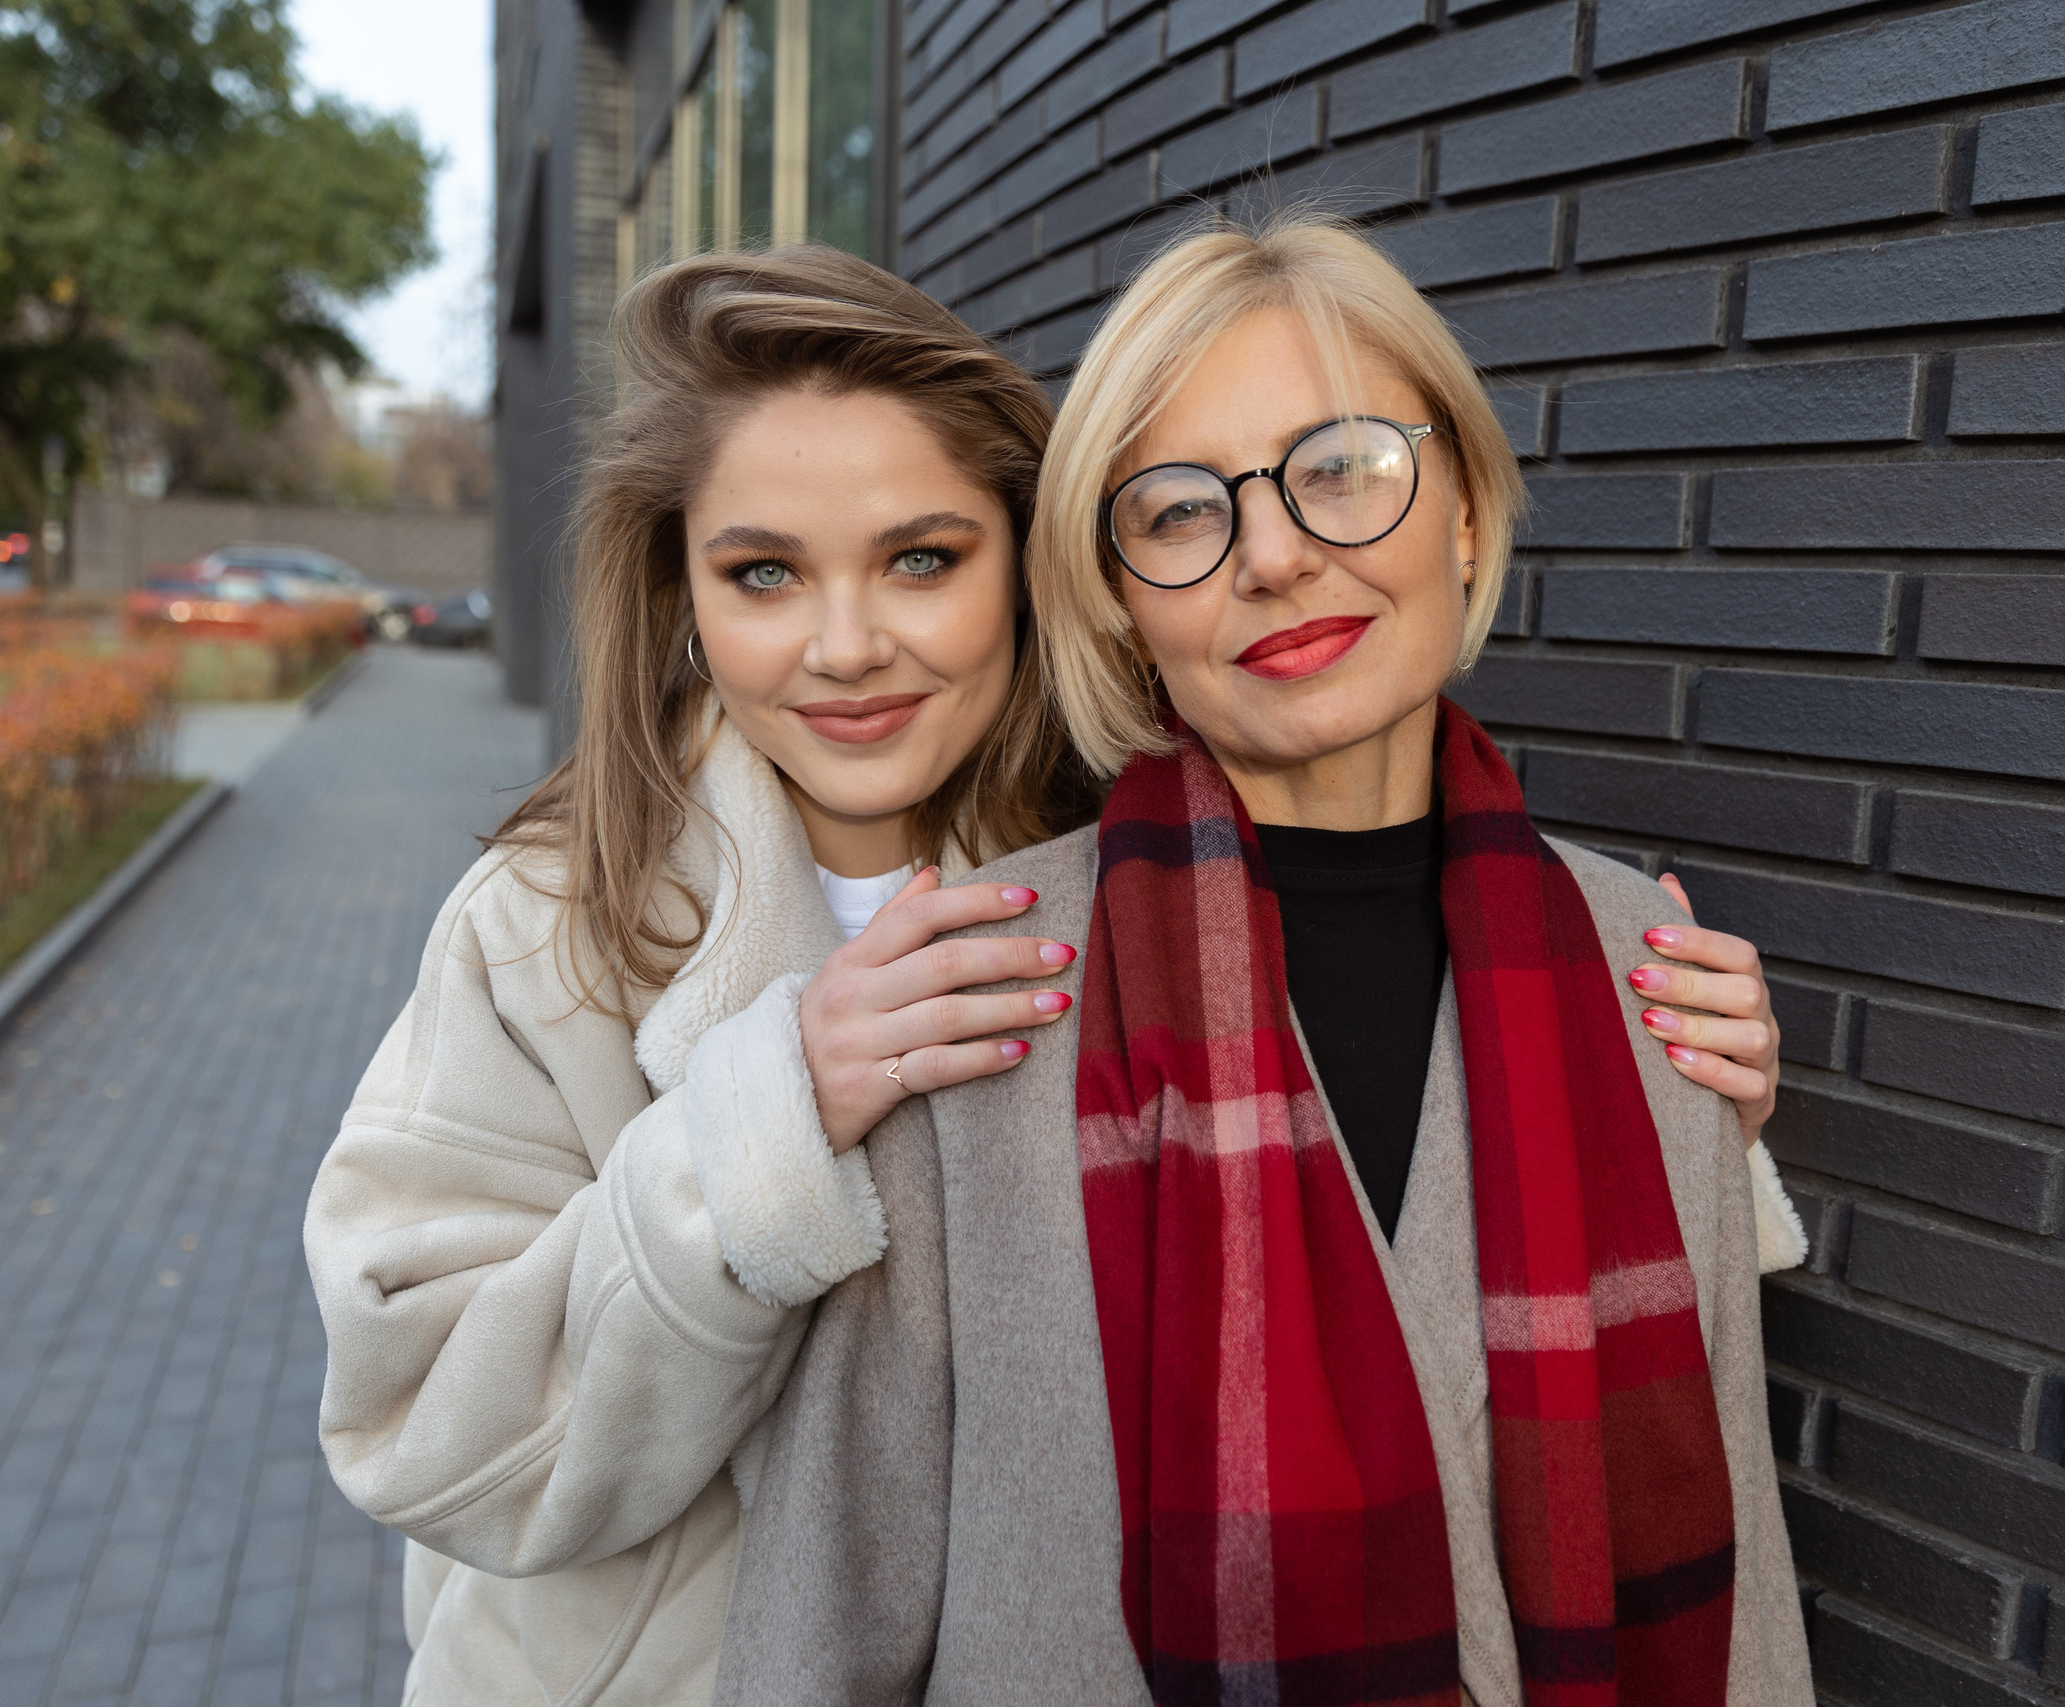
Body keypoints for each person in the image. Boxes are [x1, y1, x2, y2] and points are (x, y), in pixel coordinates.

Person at [308, 243, 1797, 1707]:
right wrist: (766, 1119)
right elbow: (421, 1421)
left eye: (923, 559)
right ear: (683, 595)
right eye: (763, 572)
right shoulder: (555, 916)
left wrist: (1689, 1102)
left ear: (1038, 570)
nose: (846, 644)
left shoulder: (1135, 888)